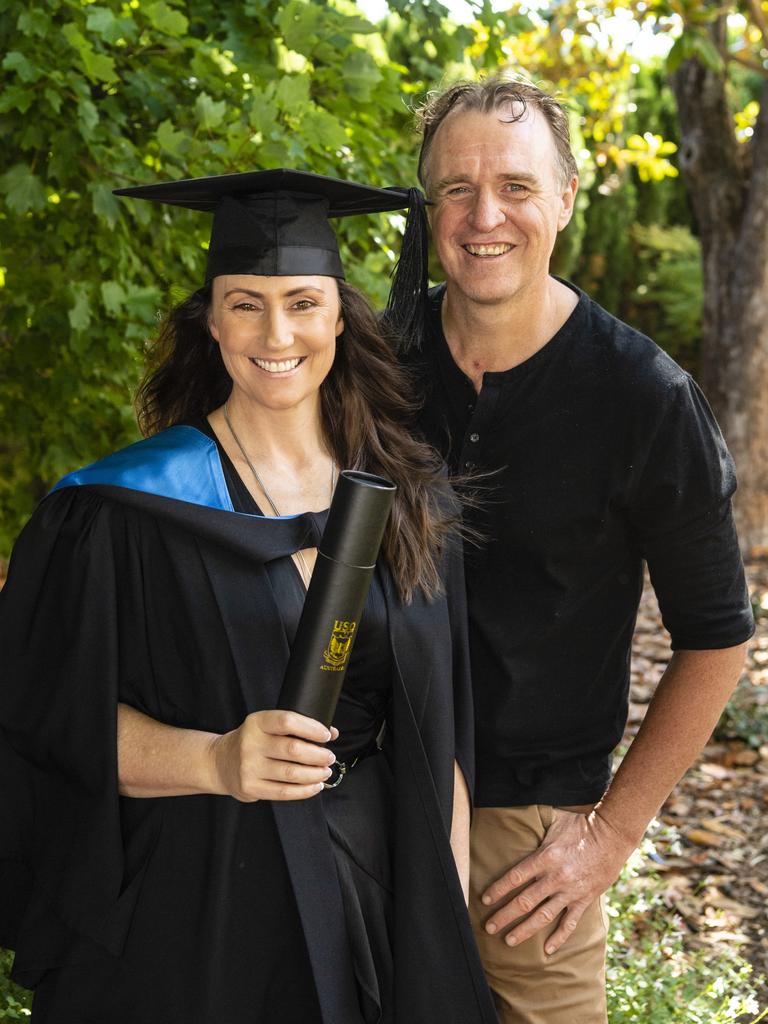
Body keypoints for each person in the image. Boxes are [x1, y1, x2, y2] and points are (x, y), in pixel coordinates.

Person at [0, 169, 497, 1024]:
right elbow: (47, 720)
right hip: (192, 911)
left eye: (304, 302)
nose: (277, 332)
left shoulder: (408, 501)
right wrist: (214, 760)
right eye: (244, 303)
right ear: (210, 320)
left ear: (342, 315)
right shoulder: (123, 511)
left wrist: (438, 931)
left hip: (369, 892)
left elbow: (436, 735)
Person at [401, 76, 755, 1024]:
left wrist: (607, 838)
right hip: (367, 790)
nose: (486, 216)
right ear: (427, 207)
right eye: (456, 190)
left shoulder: (644, 396)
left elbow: (717, 639)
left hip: (526, 840)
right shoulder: (375, 361)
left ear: (565, 198)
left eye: (516, 185)